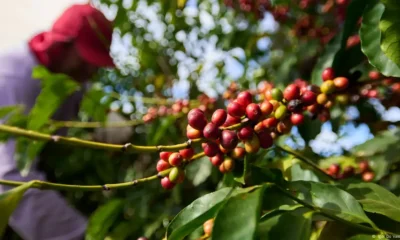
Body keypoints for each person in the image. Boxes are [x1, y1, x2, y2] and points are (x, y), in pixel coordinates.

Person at [0, 3, 115, 240]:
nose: (92, 70)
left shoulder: (67, 75)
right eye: (86, 59)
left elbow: (80, 101)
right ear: (63, 43)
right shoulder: (11, 80)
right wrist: (81, 235)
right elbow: (11, 178)